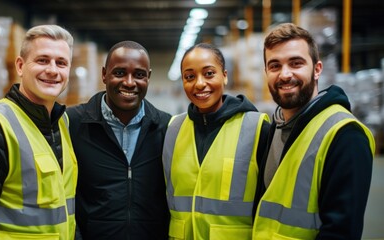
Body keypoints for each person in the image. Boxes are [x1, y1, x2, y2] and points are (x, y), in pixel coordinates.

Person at [252, 23, 375, 239]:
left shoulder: (345, 134)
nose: (285, 74)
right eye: (274, 66)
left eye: (296, 63)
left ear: (317, 69)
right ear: (266, 72)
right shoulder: (276, 127)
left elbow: (341, 232)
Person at [0, 24, 77, 239]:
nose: (52, 70)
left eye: (61, 63)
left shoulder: (62, 122)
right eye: (42, 60)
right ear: (20, 66)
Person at [162, 43, 270, 240]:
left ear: (225, 75)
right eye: (189, 77)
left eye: (209, 73)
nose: (199, 83)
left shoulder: (255, 128)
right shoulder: (173, 130)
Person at [67, 40, 171, 240]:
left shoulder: (166, 128)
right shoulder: (74, 124)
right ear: (104, 74)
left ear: (148, 77)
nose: (130, 82)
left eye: (139, 75)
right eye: (120, 73)